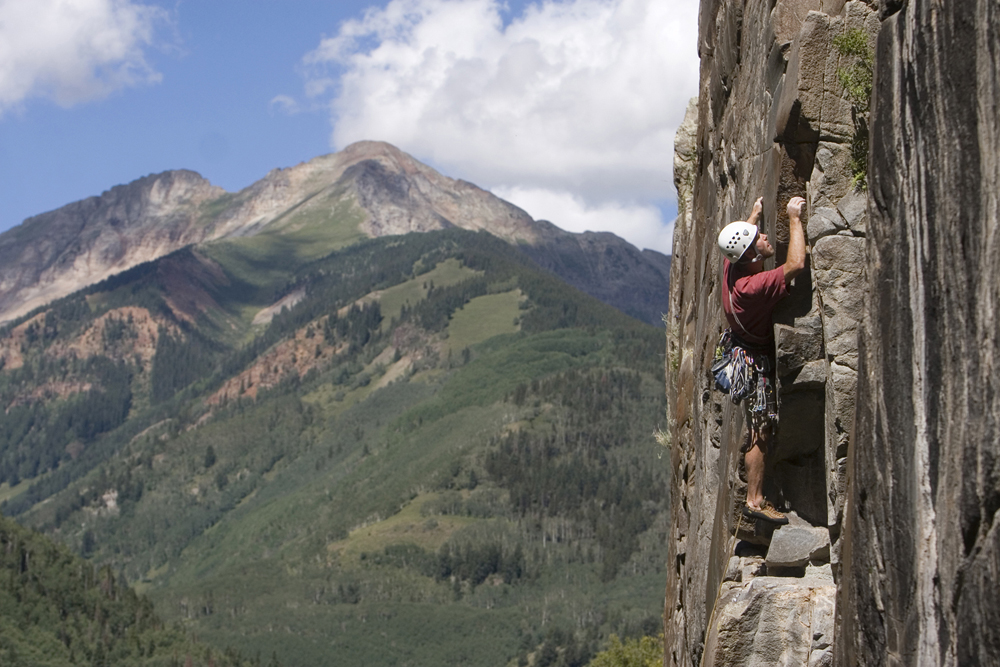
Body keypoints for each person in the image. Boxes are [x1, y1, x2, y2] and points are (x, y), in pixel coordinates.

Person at [716, 195, 806, 524]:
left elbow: (743, 238)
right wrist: (794, 218)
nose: (765, 237)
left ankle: (755, 498)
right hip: (755, 360)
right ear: (752, 255)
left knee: (757, 424)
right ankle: (754, 501)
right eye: (760, 240)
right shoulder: (752, 287)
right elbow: (795, 265)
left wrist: (753, 215)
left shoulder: (733, 265)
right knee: (760, 428)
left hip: (742, 349)